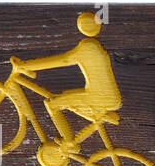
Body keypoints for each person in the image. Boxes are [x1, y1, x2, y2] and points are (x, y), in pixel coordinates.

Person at [13, 11, 121, 151]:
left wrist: (26, 66)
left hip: (99, 96)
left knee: (53, 104)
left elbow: (63, 60)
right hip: (105, 95)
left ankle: (69, 143)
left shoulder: (88, 47)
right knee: (65, 100)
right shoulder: (95, 46)